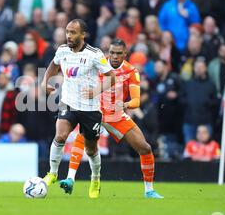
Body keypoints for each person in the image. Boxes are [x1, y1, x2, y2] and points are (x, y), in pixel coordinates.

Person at [60, 39, 163, 198]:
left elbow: (136, 101)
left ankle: (149, 190)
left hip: (116, 116)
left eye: (118, 53)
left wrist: (126, 104)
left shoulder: (131, 71)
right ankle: (70, 178)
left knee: (145, 148)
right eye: (112, 53)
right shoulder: (98, 64)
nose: (114, 56)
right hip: (95, 112)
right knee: (84, 140)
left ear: (125, 54)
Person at [40, 19, 116, 199]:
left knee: (90, 150)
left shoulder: (94, 54)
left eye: (73, 32)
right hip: (69, 103)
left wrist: (95, 91)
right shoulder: (62, 50)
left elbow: (111, 77)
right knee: (60, 135)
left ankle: (95, 179)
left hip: (90, 109)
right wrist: (45, 81)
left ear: (83, 34)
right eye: (67, 31)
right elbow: (54, 64)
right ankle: (53, 173)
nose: (69, 35)